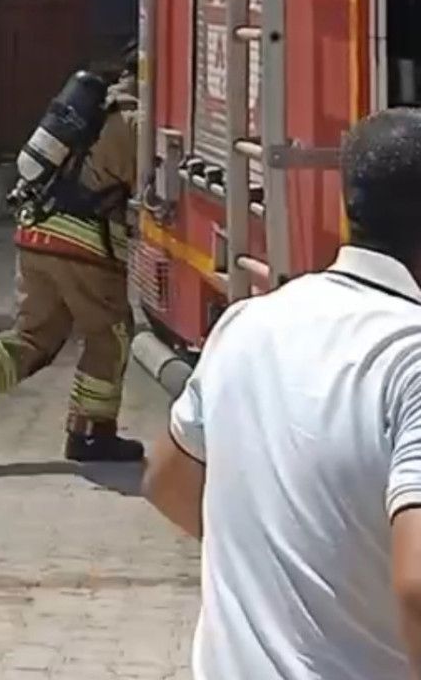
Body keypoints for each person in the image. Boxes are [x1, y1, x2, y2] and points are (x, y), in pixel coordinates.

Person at [144, 108, 421, 679]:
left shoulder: (247, 324)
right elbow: (417, 585)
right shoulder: (410, 355)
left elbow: (167, 481)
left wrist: (296, 562)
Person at [0, 48, 143, 464]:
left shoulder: (89, 110)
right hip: (83, 242)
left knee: (35, 336)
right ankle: (91, 434)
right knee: (110, 333)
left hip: (36, 230)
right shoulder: (134, 123)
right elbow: (152, 187)